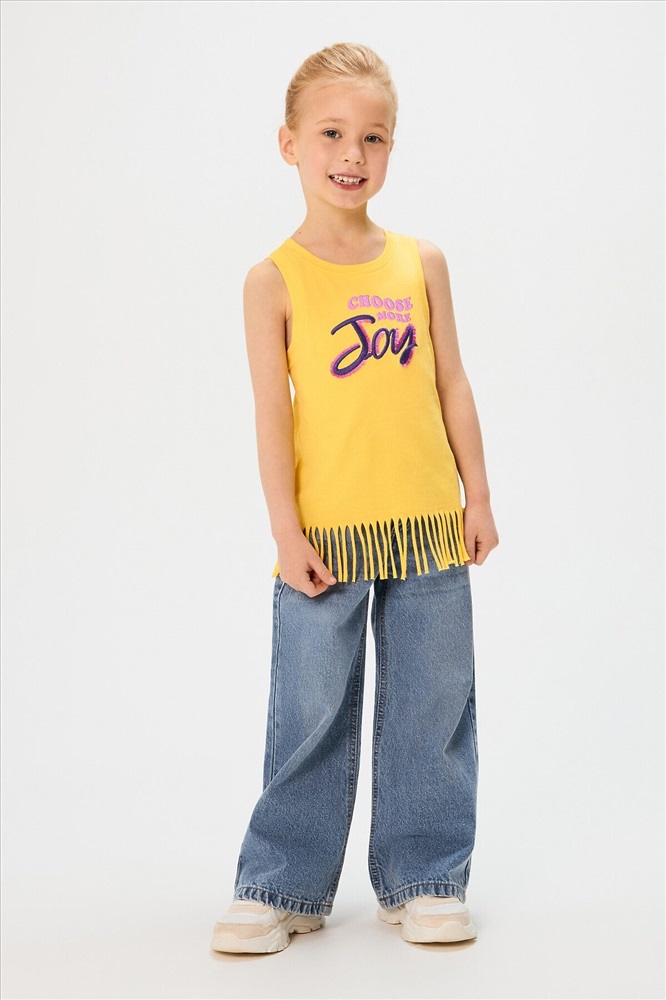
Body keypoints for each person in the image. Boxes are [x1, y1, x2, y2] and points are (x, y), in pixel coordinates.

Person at [210, 42, 499, 954]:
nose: (352, 154)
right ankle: (283, 884)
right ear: (289, 143)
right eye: (332, 133)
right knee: (310, 712)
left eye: (373, 137)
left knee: (431, 708)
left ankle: (425, 877)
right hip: (324, 538)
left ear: (391, 148)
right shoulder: (273, 280)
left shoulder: (422, 262)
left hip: (426, 529)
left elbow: (452, 384)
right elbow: (272, 415)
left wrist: (478, 497)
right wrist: (285, 531)